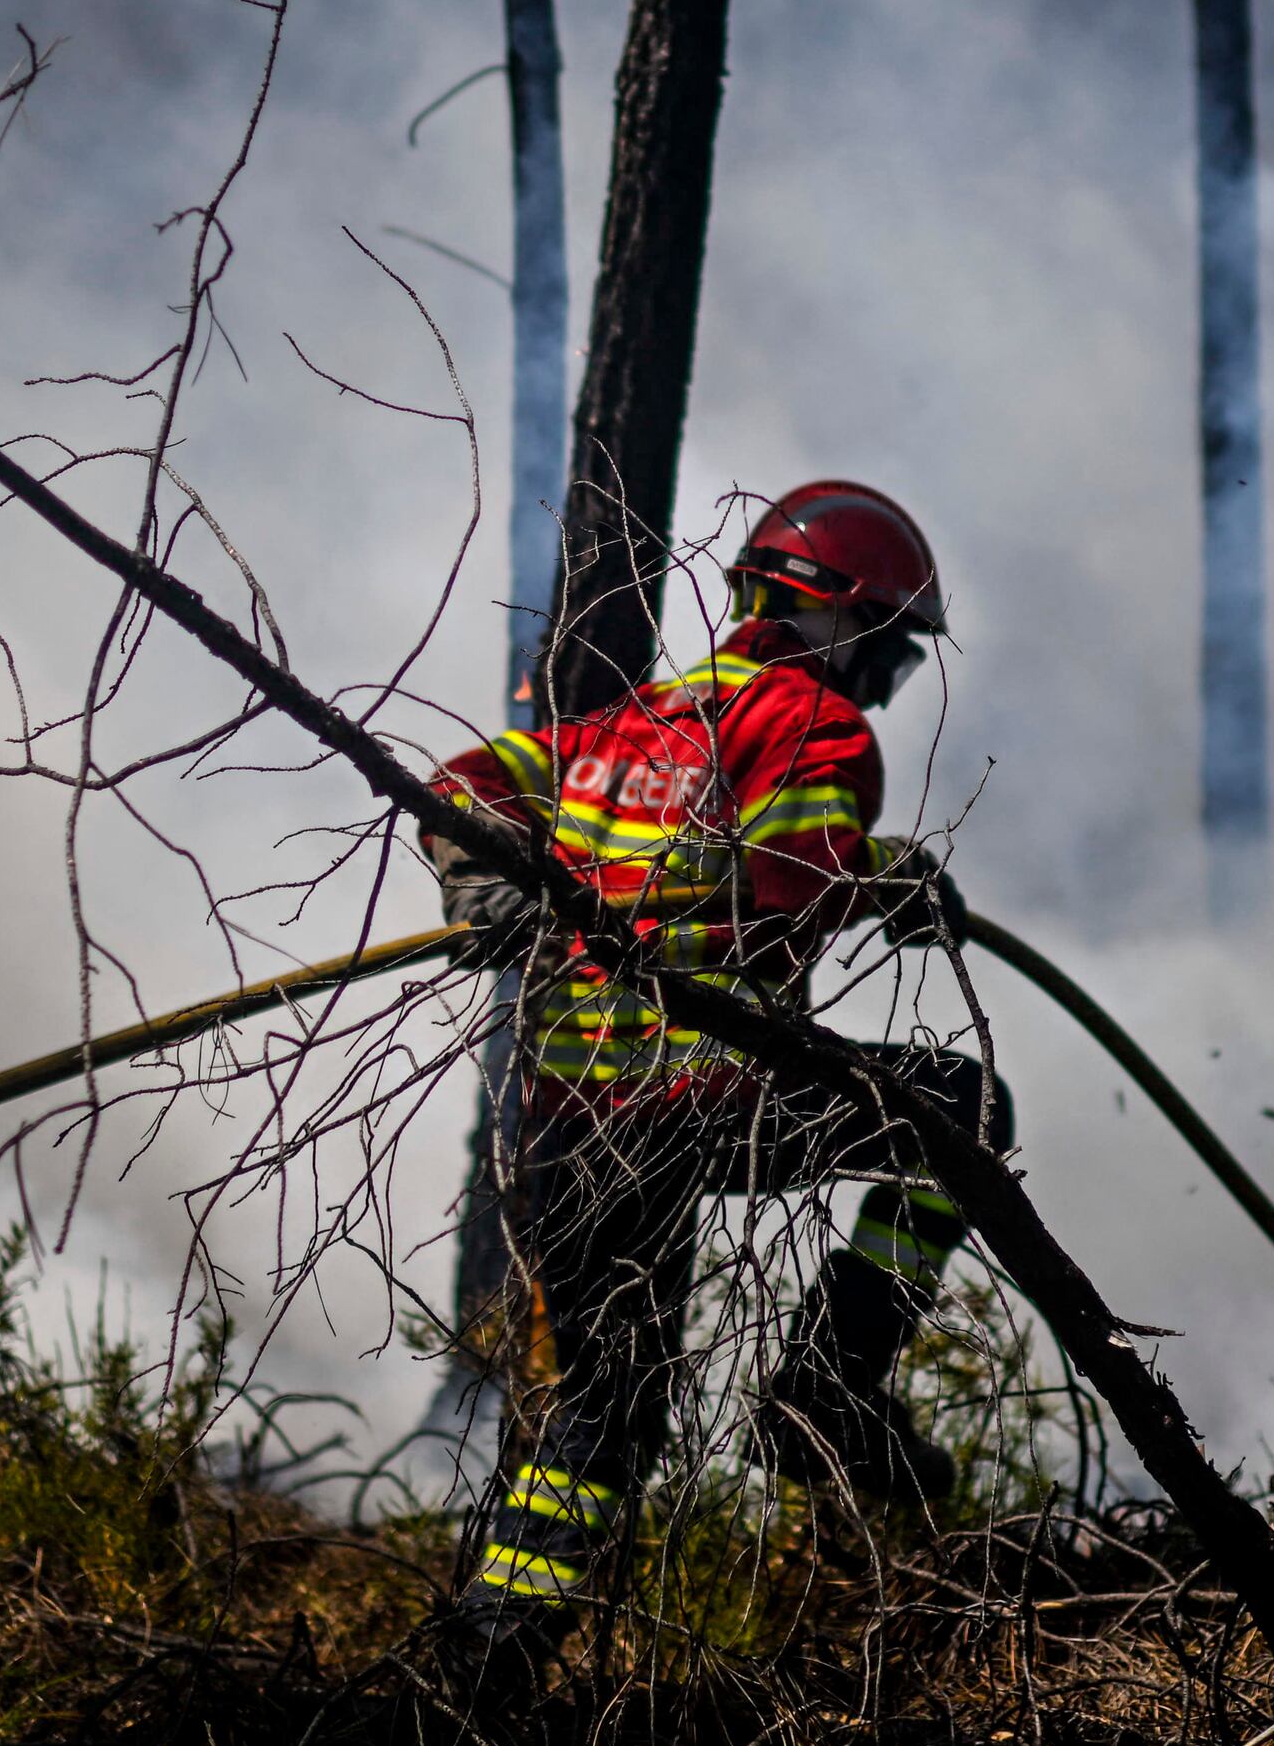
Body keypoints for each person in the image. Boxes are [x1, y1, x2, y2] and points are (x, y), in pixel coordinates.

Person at [425, 480, 995, 1666]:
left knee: (605, 1419)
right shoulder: (814, 729)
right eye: (888, 646)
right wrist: (885, 874)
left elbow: (460, 779)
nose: (889, 679)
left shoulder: (629, 725)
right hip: (708, 1103)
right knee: (960, 1108)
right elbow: (791, 871)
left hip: (570, 1129)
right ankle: (829, 1389)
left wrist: (475, 869)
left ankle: (483, 1665)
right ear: (832, 618)